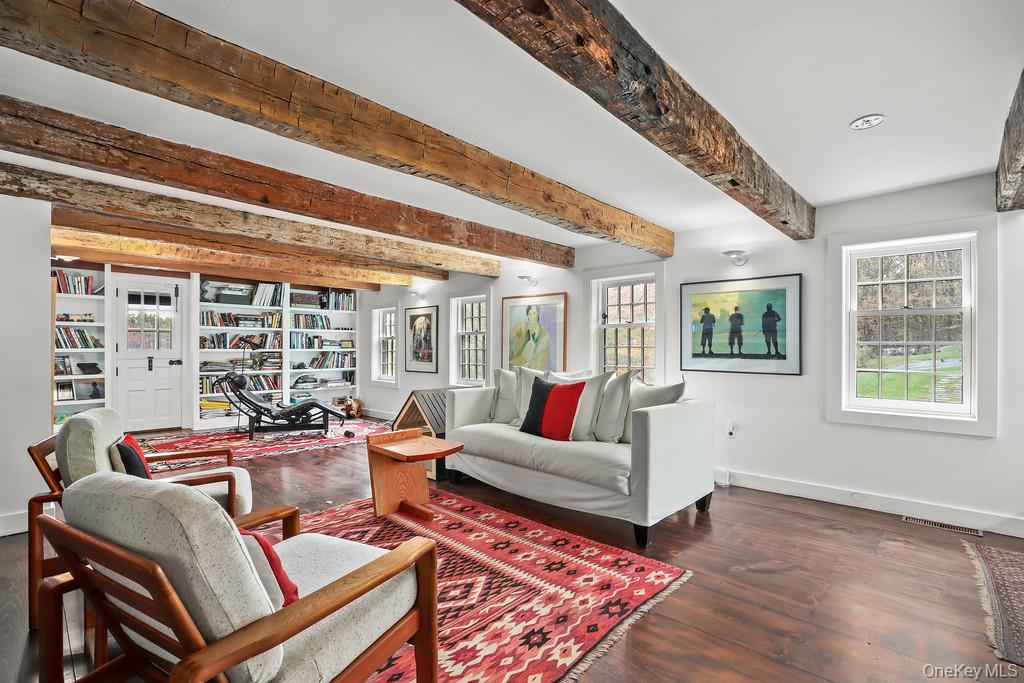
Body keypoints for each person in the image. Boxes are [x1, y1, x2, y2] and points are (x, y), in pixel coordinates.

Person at [509, 304, 552, 370]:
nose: (532, 316)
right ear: (528, 316)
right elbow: (509, 339)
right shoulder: (523, 326)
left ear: (538, 315)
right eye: (530, 314)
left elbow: (539, 365)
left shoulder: (544, 337)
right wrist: (512, 351)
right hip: (519, 361)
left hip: (532, 367)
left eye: (534, 313)